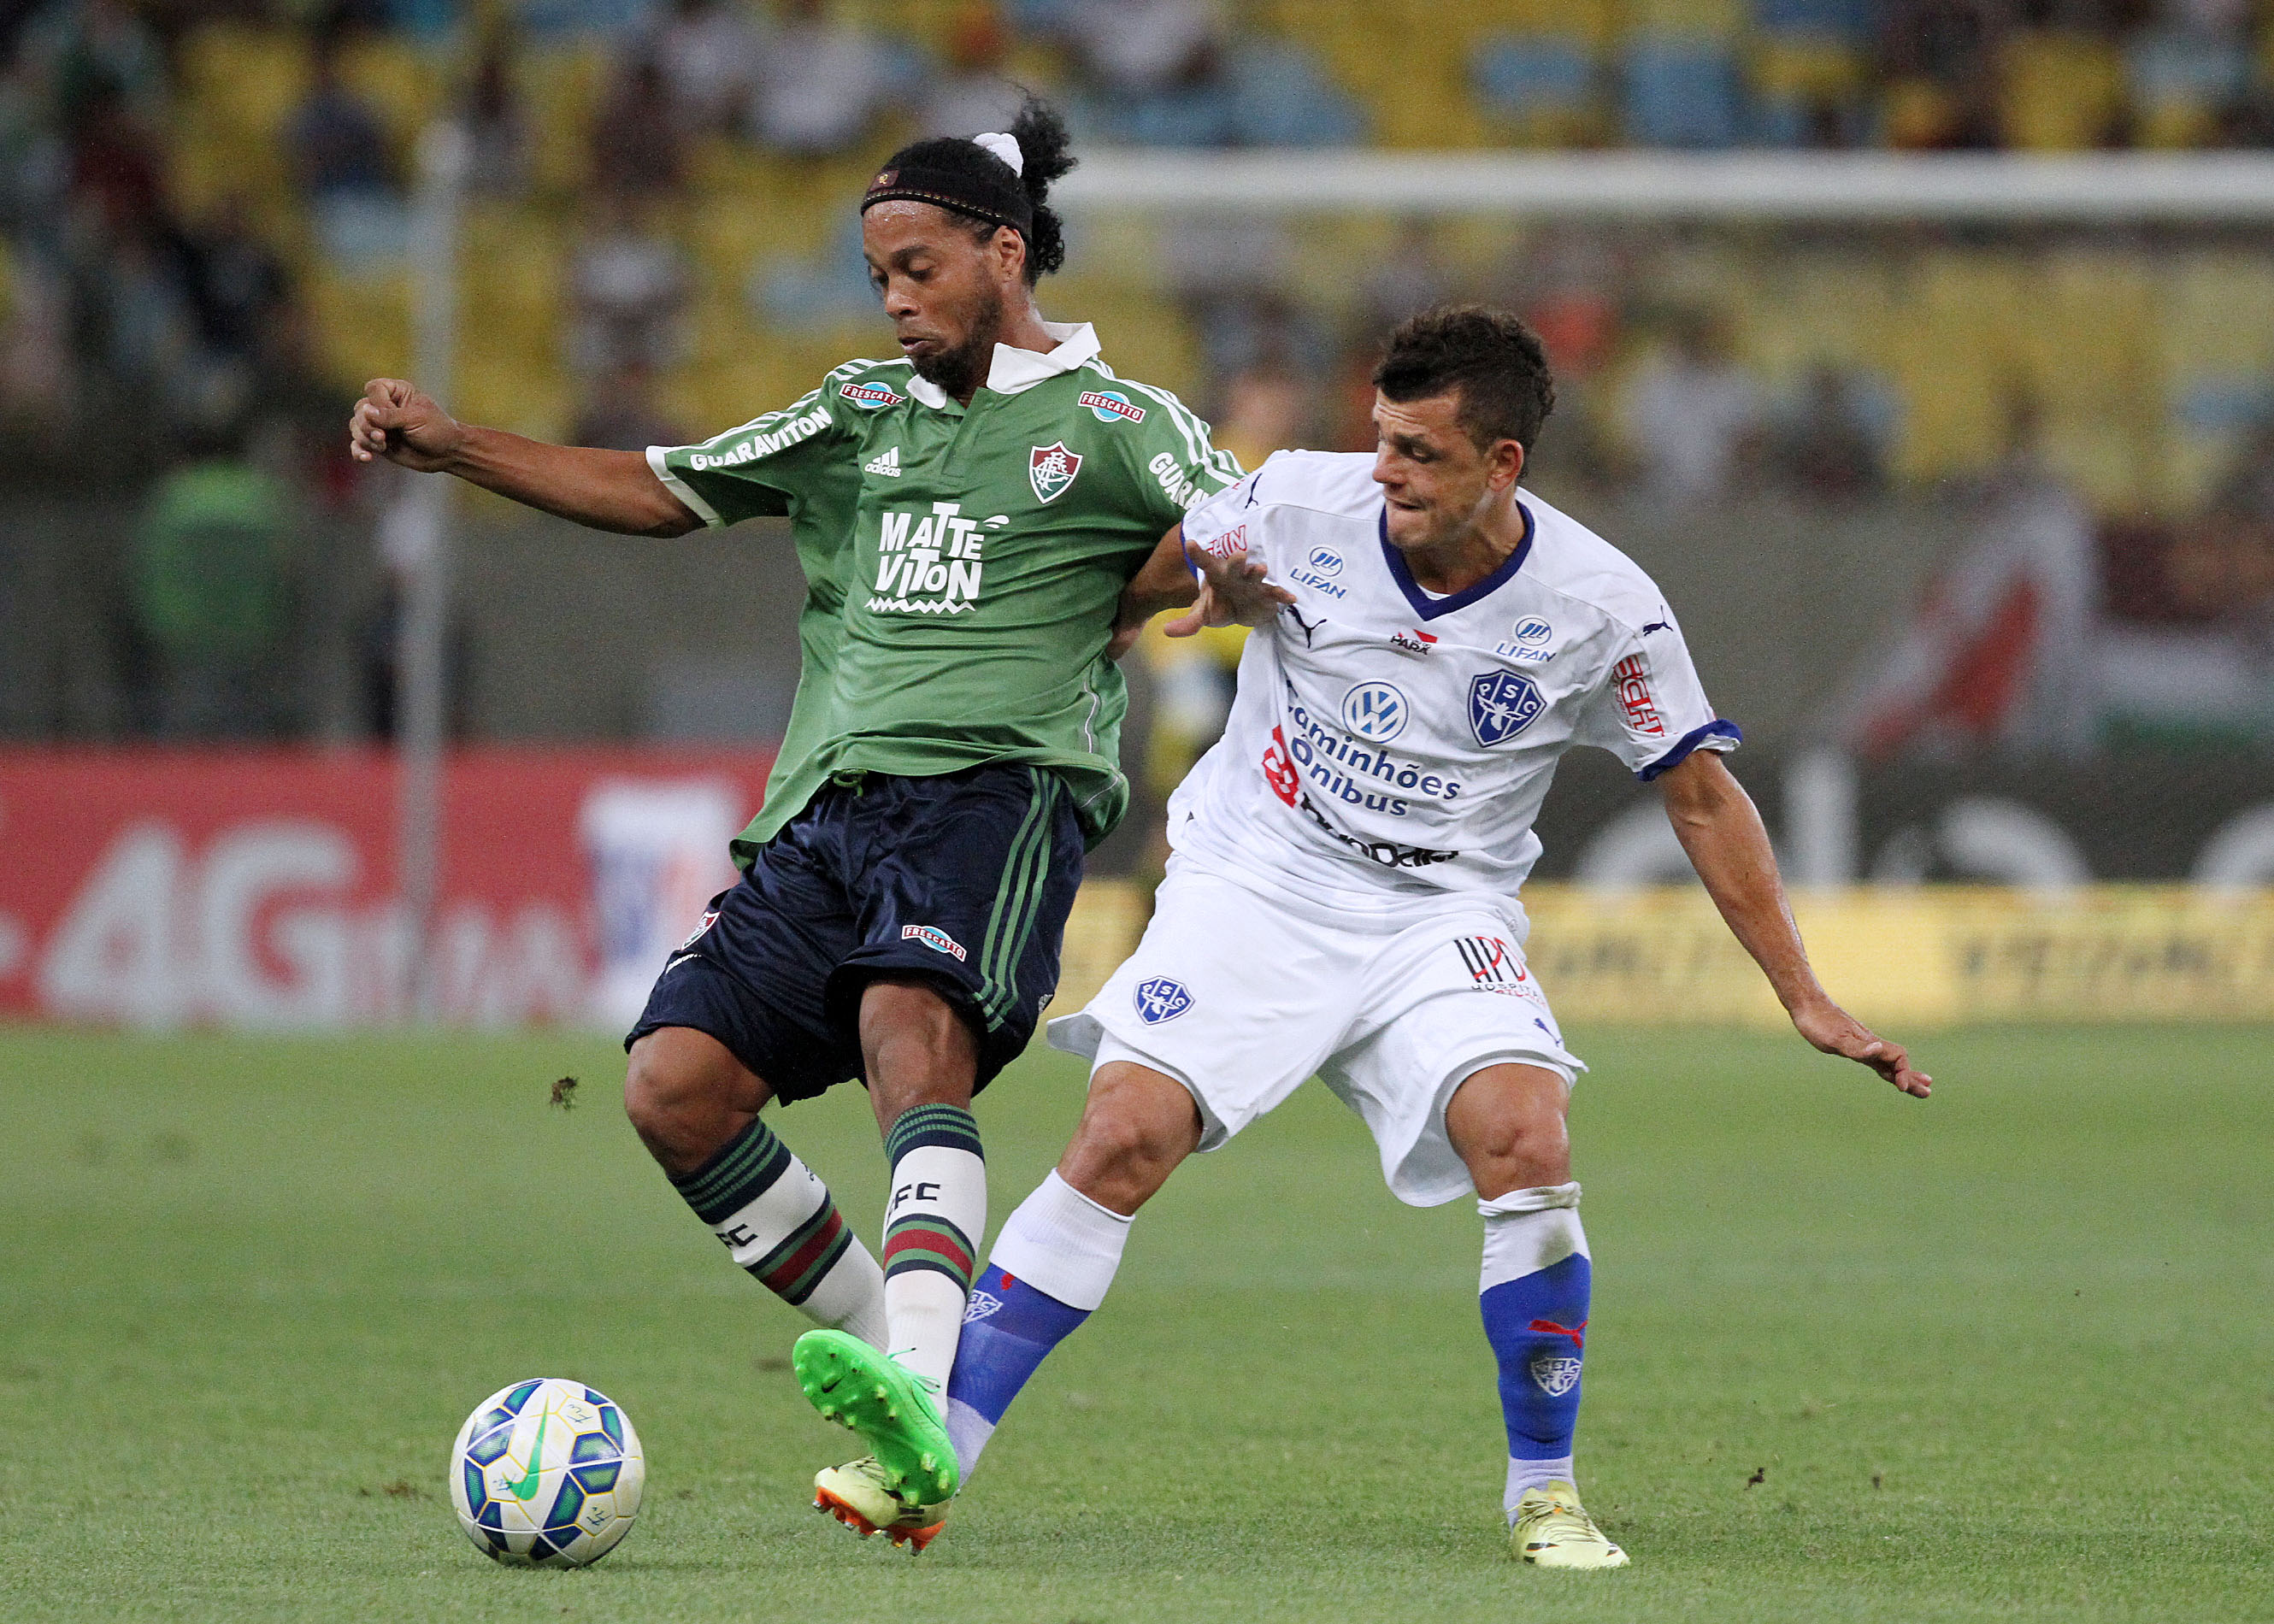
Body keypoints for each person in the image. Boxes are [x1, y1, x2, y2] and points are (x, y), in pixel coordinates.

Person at [345, 99, 1246, 1545]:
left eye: (918, 268)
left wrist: (1206, 574)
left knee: (910, 1032)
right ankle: (903, 1365)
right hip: (824, 811)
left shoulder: (1121, 423)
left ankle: (921, 1393)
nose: (893, 299)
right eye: (878, 273)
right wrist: (455, 448)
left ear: (1004, 254)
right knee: (673, 1088)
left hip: (993, 795)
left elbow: (1244, 526)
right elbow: (658, 490)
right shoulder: (854, 414)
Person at [936, 306, 1932, 1566]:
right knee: (1125, 1132)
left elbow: (1698, 792)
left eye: (1419, 452)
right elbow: (1153, 562)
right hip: (1258, 878)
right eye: (1379, 439)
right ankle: (934, 1449)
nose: (1385, 472)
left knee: (1527, 1136)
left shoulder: (1601, 605)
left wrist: (1805, 994)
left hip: (1438, 916)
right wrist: (1186, 589)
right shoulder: (1296, 500)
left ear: (1502, 464)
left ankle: (1545, 1494)